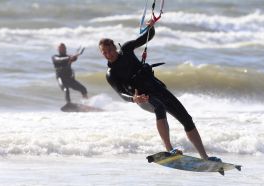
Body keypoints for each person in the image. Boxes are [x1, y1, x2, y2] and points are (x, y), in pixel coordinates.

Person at [98, 20, 220, 161]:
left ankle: (205, 157)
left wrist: (151, 26)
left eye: (110, 50)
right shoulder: (111, 74)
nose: (109, 54)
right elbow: (121, 93)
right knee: (159, 107)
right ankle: (169, 150)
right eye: (105, 53)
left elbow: (147, 37)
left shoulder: (127, 49)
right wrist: (134, 99)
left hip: (157, 88)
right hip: (143, 98)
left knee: (187, 119)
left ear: (114, 47)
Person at [52, 43, 88, 109]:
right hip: (61, 78)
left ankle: (86, 105)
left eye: (63, 48)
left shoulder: (69, 57)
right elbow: (59, 60)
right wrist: (69, 57)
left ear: (65, 49)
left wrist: (74, 57)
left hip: (69, 78)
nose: (62, 49)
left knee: (83, 89)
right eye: (61, 48)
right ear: (58, 49)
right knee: (66, 90)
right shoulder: (55, 57)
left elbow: (73, 59)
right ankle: (69, 104)